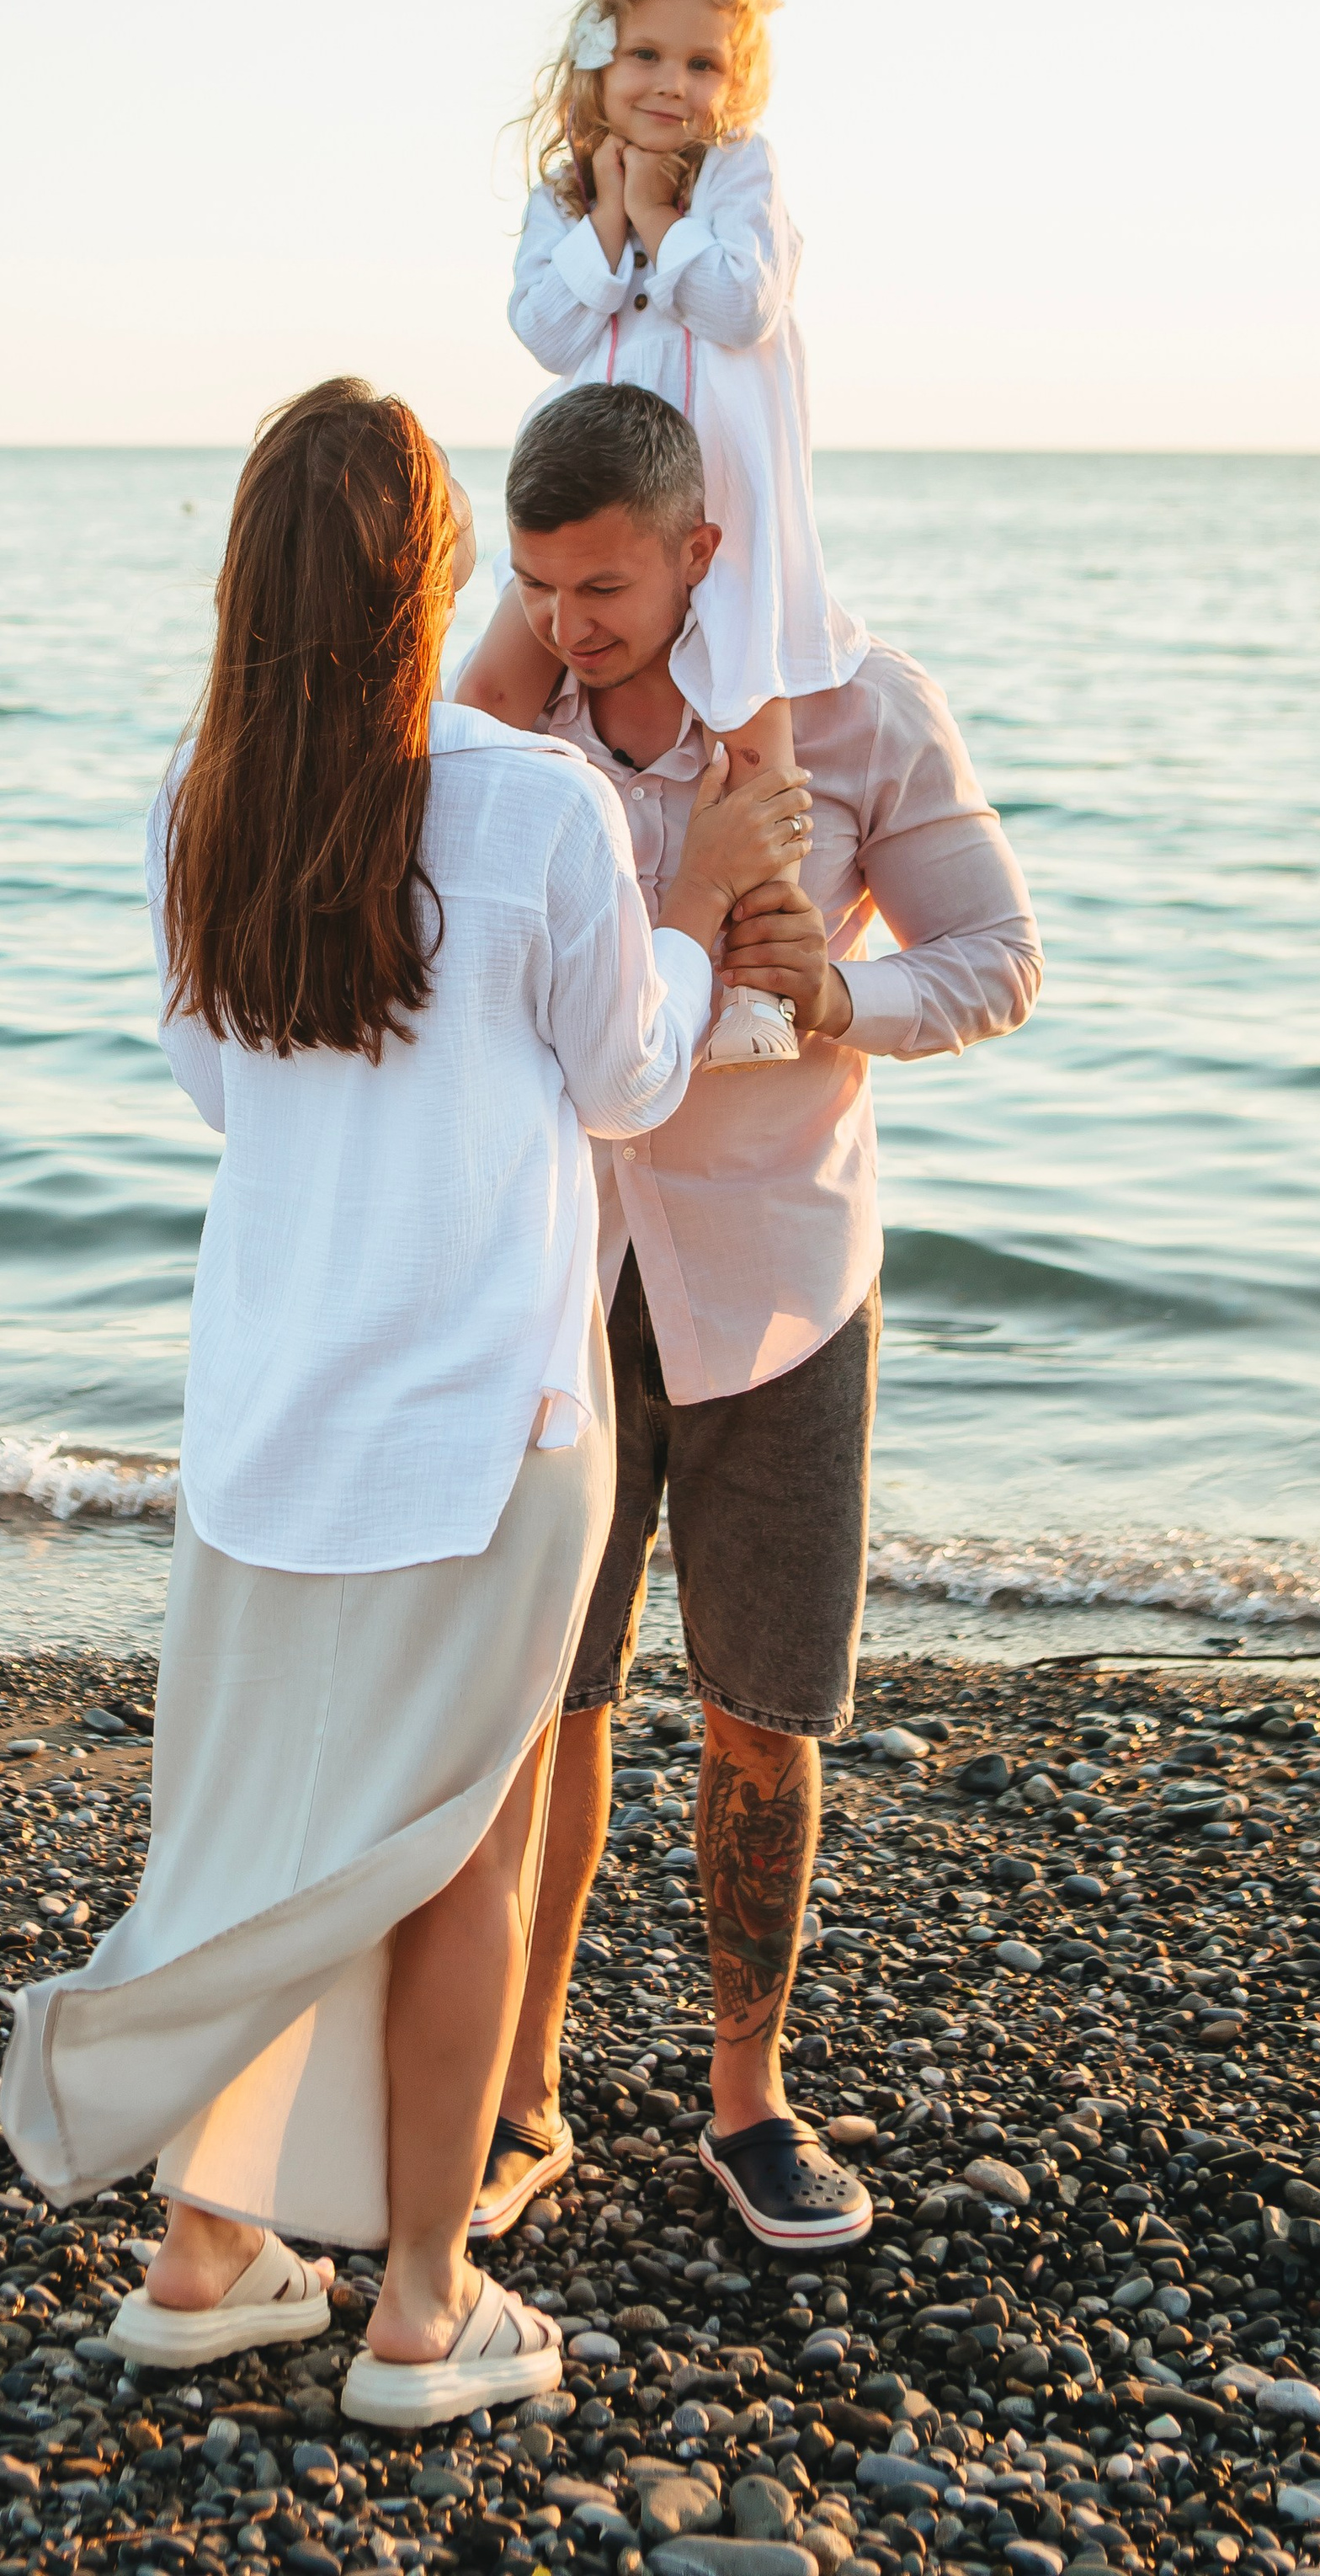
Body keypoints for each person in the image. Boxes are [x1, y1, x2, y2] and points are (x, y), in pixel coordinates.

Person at [0, 376, 811, 2426]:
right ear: (431, 577)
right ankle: (421, 2310)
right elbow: (628, 1081)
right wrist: (701, 897)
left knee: (263, 1830)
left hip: (274, 1410)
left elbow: (218, 1093)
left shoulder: (203, 806)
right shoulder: (528, 804)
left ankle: (208, 2249)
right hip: (483, 1421)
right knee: (454, 1850)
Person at [455, 379, 1041, 2256]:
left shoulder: (858, 709)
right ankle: (514, 2088)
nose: (569, 622)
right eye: (536, 583)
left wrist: (843, 998)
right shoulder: (509, 728)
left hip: (778, 1283)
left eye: (601, 584)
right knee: (546, 1703)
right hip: (561, 1273)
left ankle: (747, 2103)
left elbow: (996, 960)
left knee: (756, 1715)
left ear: (705, 548)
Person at [469, 0, 868, 1071]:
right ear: (598, 62)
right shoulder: (566, 195)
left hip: (726, 505)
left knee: (753, 731)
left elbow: (741, 306)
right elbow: (548, 328)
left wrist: (661, 218)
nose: (672, 86)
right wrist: (606, 217)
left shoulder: (743, 177)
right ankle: (455, 900)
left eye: (703, 66)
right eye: (647, 56)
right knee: (493, 684)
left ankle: (754, 985)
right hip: (601, 496)